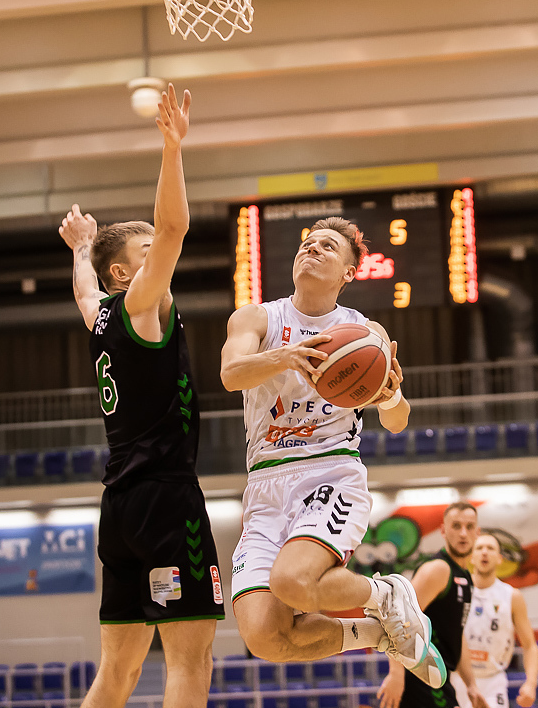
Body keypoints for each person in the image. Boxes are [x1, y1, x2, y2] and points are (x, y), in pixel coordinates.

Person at [220, 216, 446, 687]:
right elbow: (231, 374)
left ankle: (386, 593)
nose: (312, 249)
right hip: (264, 481)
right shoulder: (257, 318)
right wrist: (285, 356)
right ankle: (381, 634)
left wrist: (389, 396)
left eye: (327, 246)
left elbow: (398, 420)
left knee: (293, 582)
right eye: (308, 243)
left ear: (348, 272)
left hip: (328, 472)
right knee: (264, 636)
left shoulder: (363, 332)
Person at [58, 85, 223, 708]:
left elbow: (84, 290)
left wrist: (81, 246)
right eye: (149, 255)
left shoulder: (100, 313)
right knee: (191, 662)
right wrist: (172, 148)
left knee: (118, 673)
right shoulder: (138, 306)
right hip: (165, 498)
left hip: (121, 508)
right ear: (124, 275)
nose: (163, 260)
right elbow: (176, 225)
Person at [377, 503, 488, 708]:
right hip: (419, 676)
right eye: (456, 526)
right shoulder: (439, 569)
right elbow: (398, 615)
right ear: (443, 531)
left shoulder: (464, 576)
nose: (463, 533)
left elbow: (457, 633)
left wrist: (471, 685)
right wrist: (396, 673)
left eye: (469, 526)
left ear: (477, 532)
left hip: (437, 676)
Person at [453, 532, 538, 708]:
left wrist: (531, 683)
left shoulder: (512, 596)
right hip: (458, 678)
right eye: (479, 548)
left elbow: (530, 645)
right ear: (471, 557)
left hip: (493, 680)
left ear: (500, 559)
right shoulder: (456, 591)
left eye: (490, 548)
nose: (485, 552)